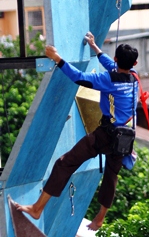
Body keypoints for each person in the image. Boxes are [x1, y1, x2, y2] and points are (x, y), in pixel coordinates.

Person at [16, 32, 139, 231]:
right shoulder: (134, 78)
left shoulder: (109, 80)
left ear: (117, 59)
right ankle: (100, 218)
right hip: (125, 139)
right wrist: (95, 48)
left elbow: (80, 77)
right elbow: (111, 65)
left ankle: (38, 208)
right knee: (111, 176)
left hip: (105, 135)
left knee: (65, 163)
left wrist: (57, 58)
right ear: (134, 63)